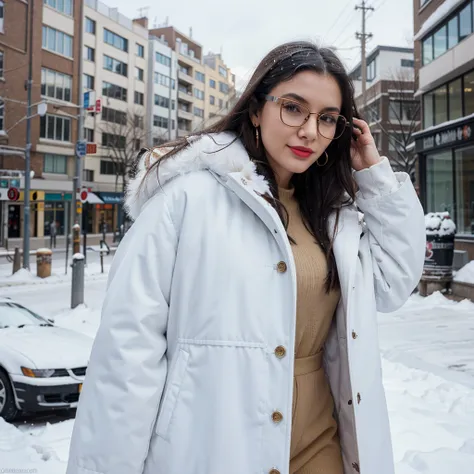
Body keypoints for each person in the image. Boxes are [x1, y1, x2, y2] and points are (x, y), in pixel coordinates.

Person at [66, 42, 425, 474]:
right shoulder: (186, 200)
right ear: (256, 108)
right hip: (216, 444)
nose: (310, 130)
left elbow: (394, 283)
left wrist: (375, 177)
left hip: (320, 444)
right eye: (294, 108)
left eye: (327, 118)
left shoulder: (334, 217)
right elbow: (127, 356)